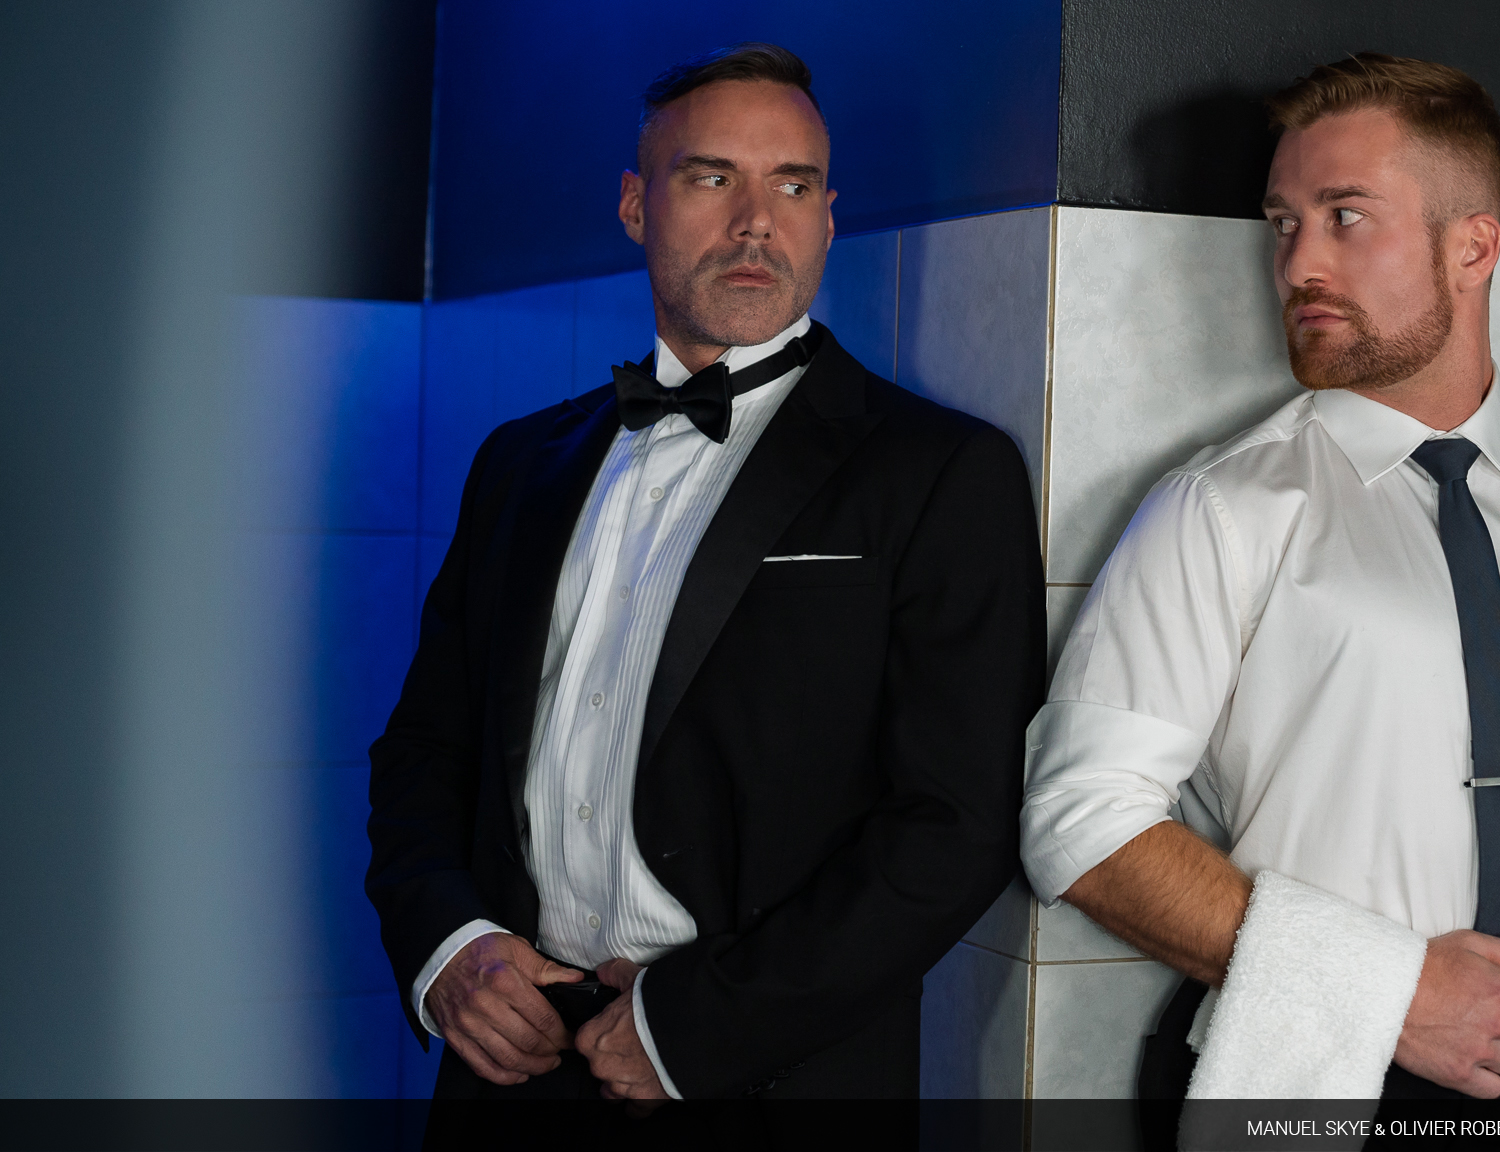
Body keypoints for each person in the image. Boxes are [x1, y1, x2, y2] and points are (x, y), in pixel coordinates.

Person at [1019, 52, 1500, 1124]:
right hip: (1291, 1082)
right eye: (1282, 224)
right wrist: (1391, 993)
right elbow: (1080, 818)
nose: (1298, 262)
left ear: (1473, 247)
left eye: (1344, 217)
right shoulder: (1221, 509)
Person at [365, 42, 1043, 1108]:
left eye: (794, 186)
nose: (756, 223)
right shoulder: (517, 465)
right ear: (637, 206)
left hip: (763, 1084)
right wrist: (447, 946)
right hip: (507, 1066)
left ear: (828, 217)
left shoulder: (942, 472)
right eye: (712, 176)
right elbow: (424, 749)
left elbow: (959, 823)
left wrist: (703, 1023)